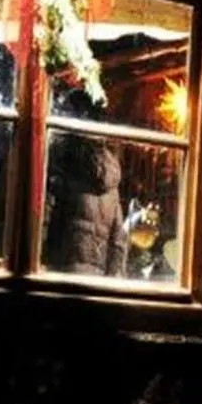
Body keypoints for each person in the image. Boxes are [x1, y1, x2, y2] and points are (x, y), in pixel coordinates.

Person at [45, 90, 126, 276]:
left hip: (61, 276)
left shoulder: (65, 163)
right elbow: (118, 240)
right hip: (97, 279)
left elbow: (45, 220)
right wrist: (113, 281)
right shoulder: (111, 177)